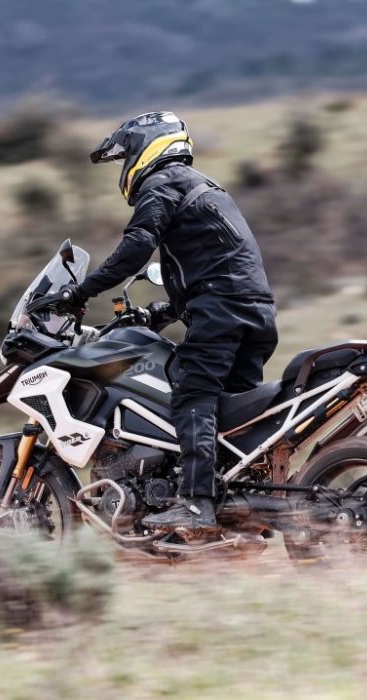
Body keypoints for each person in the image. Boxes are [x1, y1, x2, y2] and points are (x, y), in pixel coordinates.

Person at [59, 111, 277, 531]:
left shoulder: (162, 184)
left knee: (192, 392)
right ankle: (244, 508)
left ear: (146, 148)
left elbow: (137, 246)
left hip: (222, 313)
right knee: (234, 420)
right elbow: (215, 267)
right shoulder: (204, 187)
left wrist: (80, 293)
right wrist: (162, 312)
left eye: (127, 157)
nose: (125, 169)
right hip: (254, 312)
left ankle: (197, 505)